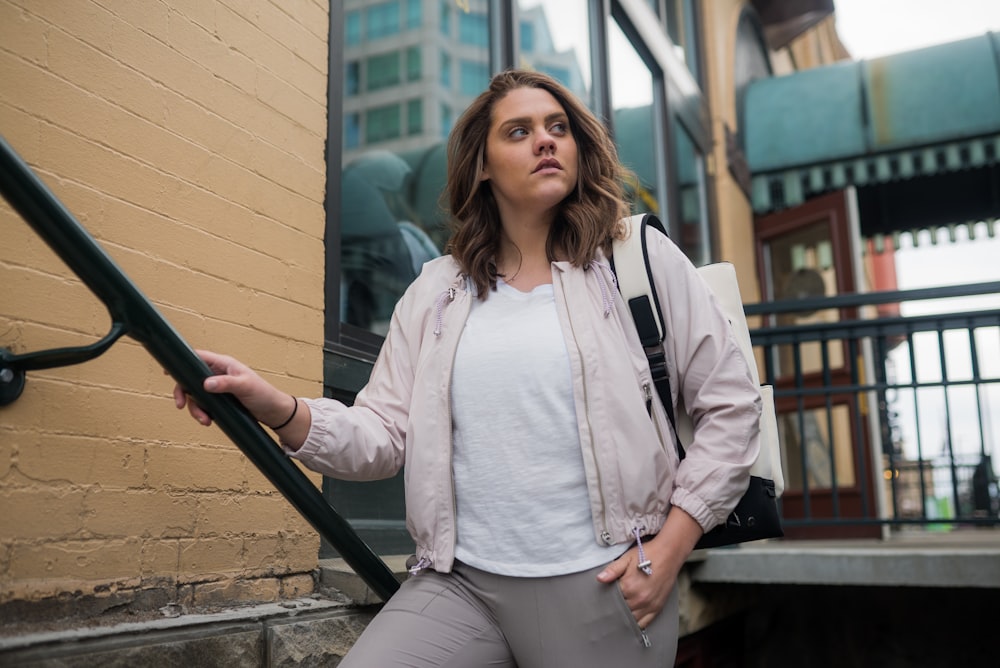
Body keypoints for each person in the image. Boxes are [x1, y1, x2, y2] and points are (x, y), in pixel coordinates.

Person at [174, 69, 761, 667]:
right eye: (519, 131)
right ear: (481, 166)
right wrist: (280, 408)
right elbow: (382, 434)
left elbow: (733, 406)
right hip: (462, 586)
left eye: (558, 127)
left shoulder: (636, 259)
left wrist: (673, 545)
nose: (545, 140)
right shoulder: (437, 291)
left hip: (605, 586)